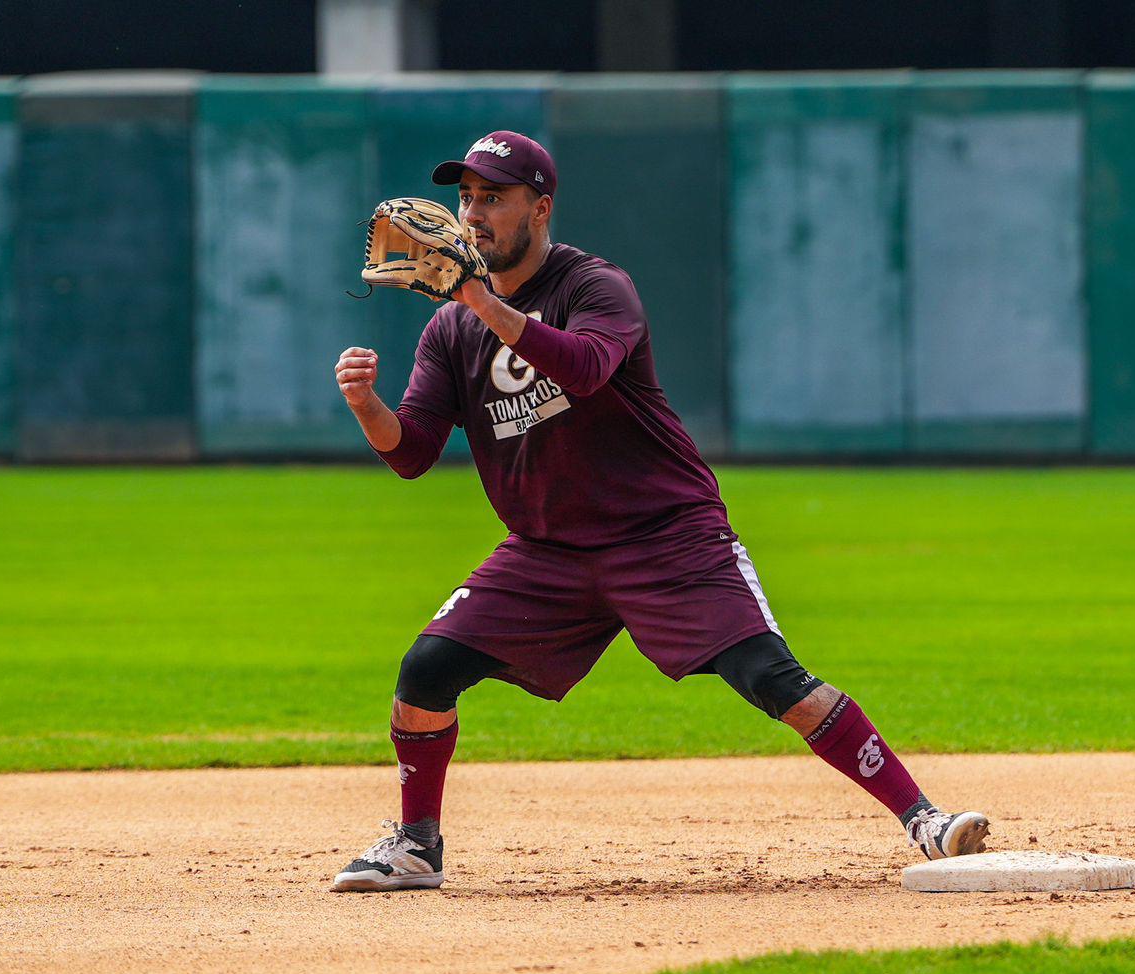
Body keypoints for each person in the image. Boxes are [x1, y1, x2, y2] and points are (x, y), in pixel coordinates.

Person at [329, 131, 987, 892]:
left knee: (772, 678)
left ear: (539, 208)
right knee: (426, 668)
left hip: (665, 535)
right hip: (549, 551)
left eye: (494, 197)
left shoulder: (595, 287)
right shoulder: (449, 330)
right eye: (465, 197)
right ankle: (416, 846)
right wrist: (366, 404)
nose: (471, 215)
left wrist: (479, 297)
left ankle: (925, 820)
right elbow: (411, 453)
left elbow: (583, 367)